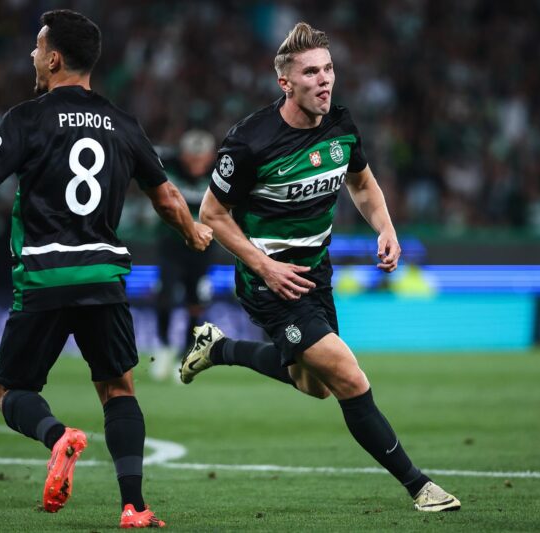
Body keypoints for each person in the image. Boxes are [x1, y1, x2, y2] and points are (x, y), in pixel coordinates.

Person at [0, 9, 212, 528]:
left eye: (37, 46)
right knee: (118, 390)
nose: (32, 55)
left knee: (11, 393)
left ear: (54, 59)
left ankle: (58, 437)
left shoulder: (28, 118)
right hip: (102, 277)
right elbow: (165, 197)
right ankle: (135, 507)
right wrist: (192, 232)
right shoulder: (123, 123)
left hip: (44, 277)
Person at [180, 22, 460, 513]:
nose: (324, 79)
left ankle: (219, 348)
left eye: (328, 69)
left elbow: (363, 184)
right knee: (349, 377)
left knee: (315, 386)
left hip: (316, 273)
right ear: (285, 83)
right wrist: (265, 268)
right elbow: (212, 215)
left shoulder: (341, 128)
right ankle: (419, 486)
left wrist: (386, 228)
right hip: (270, 284)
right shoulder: (250, 142)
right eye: (311, 72)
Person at [151, 129, 216, 381]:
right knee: (165, 296)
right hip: (172, 246)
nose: (196, 163)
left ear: (210, 156)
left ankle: (185, 355)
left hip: (203, 249)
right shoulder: (169, 165)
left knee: (196, 303)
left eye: (201, 158)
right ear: (183, 155)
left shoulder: (221, 172)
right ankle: (163, 345)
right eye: (192, 157)